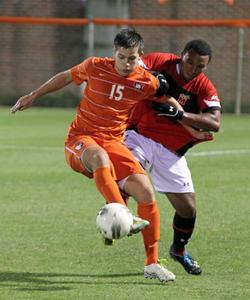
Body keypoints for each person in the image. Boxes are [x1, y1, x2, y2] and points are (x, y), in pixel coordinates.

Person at [10, 28, 176, 282]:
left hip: (113, 142)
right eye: (121, 57)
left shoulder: (146, 81)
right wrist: (33, 96)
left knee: (146, 192)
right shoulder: (95, 66)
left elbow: (164, 95)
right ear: (114, 53)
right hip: (81, 140)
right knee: (100, 158)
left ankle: (151, 264)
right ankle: (121, 213)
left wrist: (180, 112)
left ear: (140, 56)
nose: (125, 63)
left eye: (131, 58)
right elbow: (65, 77)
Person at [124, 39, 222, 275]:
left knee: (188, 209)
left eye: (200, 66)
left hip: (171, 150)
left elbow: (214, 123)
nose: (193, 69)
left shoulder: (204, 86)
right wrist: (155, 84)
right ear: (182, 55)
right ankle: (117, 216)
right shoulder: (162, 62)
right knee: (132, 174)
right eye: (190, 62)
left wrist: (181, 114)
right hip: (140, 134)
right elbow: (135, 68)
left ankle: (178, 250)